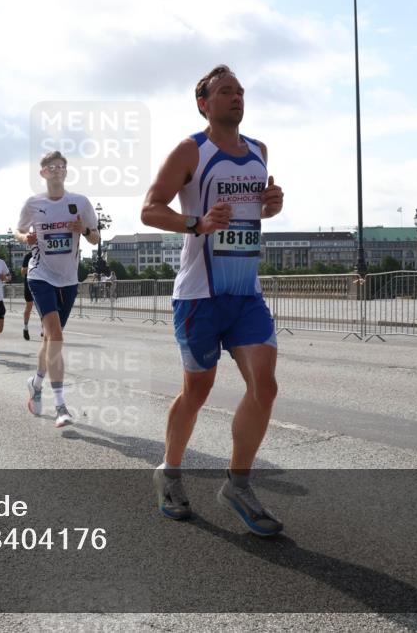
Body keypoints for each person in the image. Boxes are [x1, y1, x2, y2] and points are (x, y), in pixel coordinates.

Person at [140, 64, 285, 536]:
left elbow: (260, 206)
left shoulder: (259, 151)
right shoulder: (191, 150)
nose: (236, 97)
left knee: (265, 386)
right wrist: (197, 223)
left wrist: (273, 203)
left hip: (245, 293)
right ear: (204, 103)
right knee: (196, 392)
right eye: (225, 91)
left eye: (240, 91)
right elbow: (150, 208)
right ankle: (170, 471)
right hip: (199, 294)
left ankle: (238, 484)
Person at [17, 151, 100, 428]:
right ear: (43, 173)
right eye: (51, 167)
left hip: (68, 278)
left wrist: (84, 230)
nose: (57, 171)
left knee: (49, 341)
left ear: (66, 172)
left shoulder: (79, 202)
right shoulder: (33, 203)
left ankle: (36, 384)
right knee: (56, 335)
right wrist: (25, 237)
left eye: (61, 167)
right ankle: (61, 405)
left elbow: (96, 237)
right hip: (40, 275)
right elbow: (18, 231)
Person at [21, 250, 34, 340]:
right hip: (29, 284)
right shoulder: (28, 256)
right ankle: (25, 328)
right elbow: (22, 272)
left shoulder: (44, 254)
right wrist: (32, 267)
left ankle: (44, 330)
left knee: (44, 308)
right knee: (29, 306)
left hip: (42, 284)